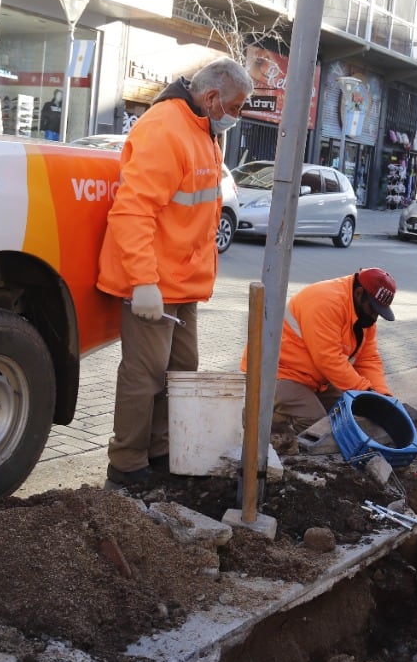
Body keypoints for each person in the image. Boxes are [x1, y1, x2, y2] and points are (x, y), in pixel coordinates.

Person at [97, 57, 253, 489]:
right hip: (153, 281)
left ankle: (162, 452)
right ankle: (126, 465)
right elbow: (133, 211)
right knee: (145, 375)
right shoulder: (166, 128)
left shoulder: (201, 130)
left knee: (182, 370)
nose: (236, 117)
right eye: (236, 108)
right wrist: (144, 282)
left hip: (180, 283)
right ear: (211, 97)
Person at [263, 268, 398, 435]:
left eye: (378, 312)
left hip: (313, 380)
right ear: (359, 293)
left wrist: (381, 395)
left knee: (348, 413)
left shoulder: (363, 316)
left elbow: (368, 359)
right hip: (278, 374)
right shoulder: (326, 302)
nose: (374, 317)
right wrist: (366, 392)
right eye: (373, 309)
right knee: (318, 426)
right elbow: (328, 358)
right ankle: (274, 423)